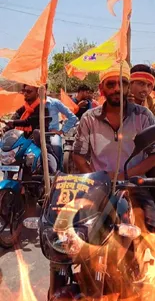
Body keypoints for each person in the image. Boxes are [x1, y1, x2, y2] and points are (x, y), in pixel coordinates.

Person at [73, 60, 155, 262]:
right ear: (102, 88)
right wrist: (97, 177)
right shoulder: (88, 118)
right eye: (111, 84)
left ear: (127, 86)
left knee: (150, 224)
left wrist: (124, 176)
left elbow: (153, 156)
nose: (117, 89)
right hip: (99, 187)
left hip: (134, 185)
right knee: (71, 230)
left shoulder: (144, 116)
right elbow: (79, 155)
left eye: (122, 83)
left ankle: (143, 267)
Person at [46, 87, 78, 168]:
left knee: (56, 147)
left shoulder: (55, 103)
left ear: (45, 90)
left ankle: (59, 172)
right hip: (33, 134)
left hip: (51, 134)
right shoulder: (29, 104)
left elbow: (72, 117)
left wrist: (62, 131)